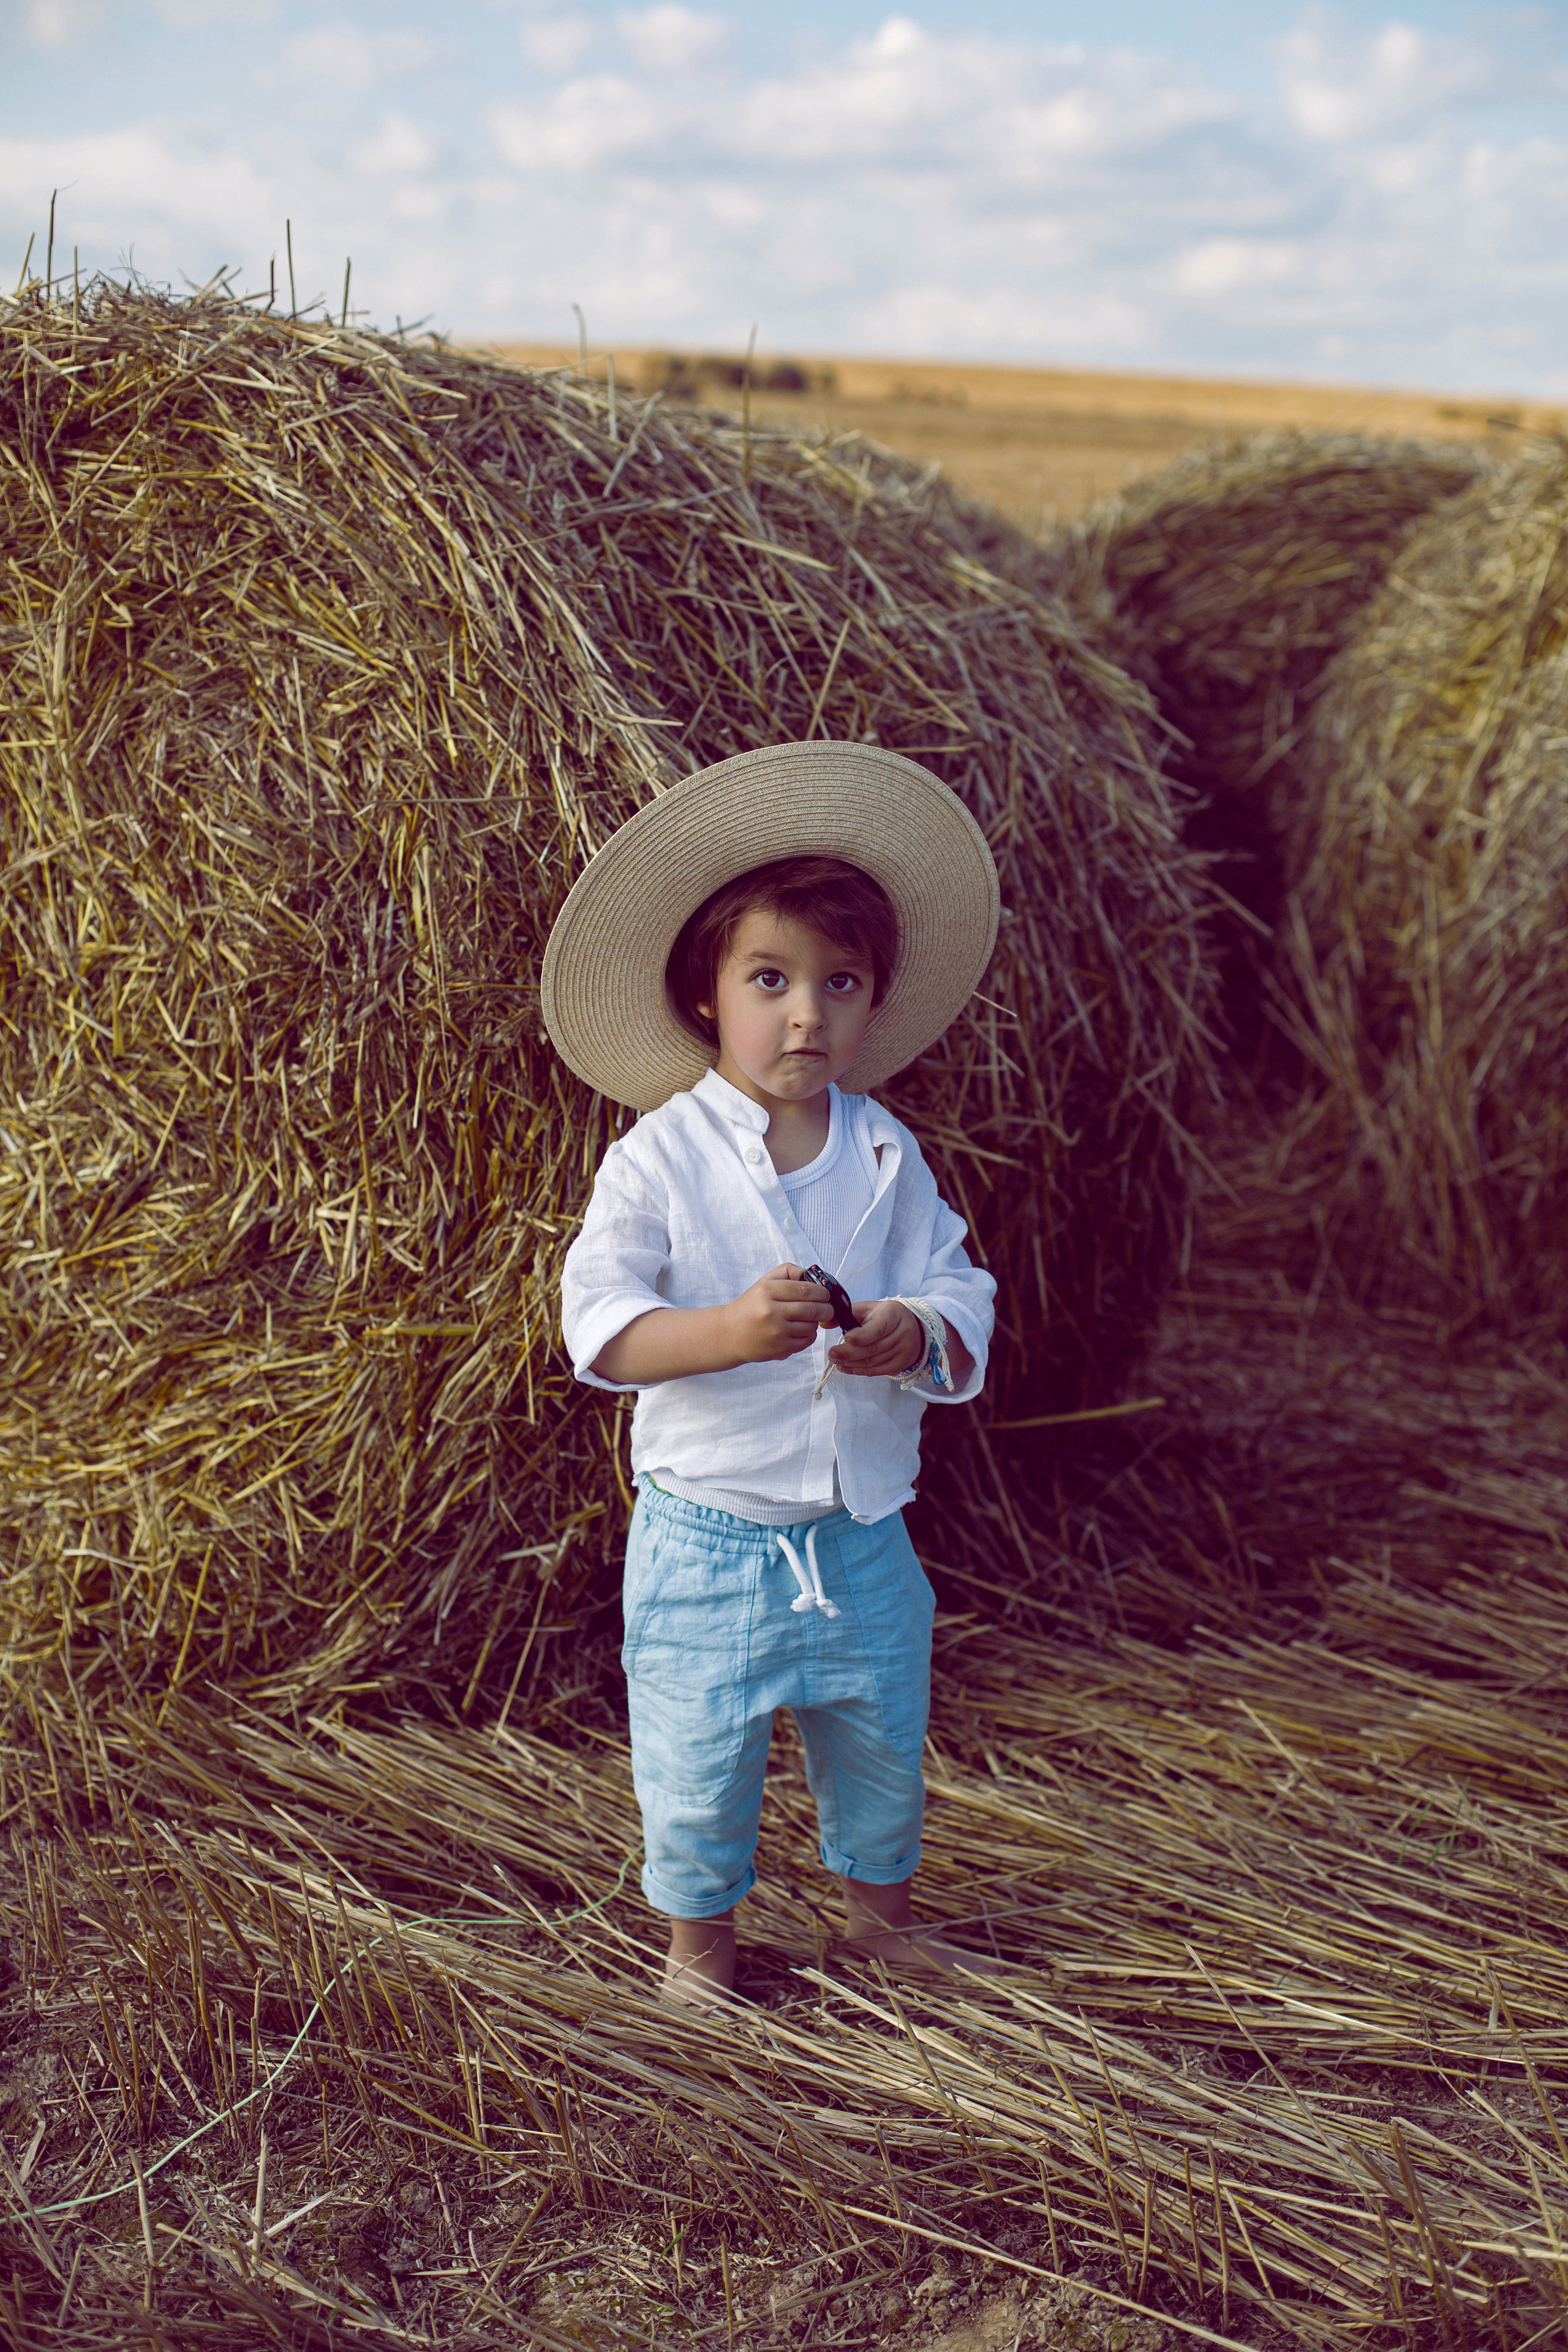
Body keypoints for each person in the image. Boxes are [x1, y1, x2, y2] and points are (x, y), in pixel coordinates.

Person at [541, 741, 1001, 2008]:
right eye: (770, 979)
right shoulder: (659, 1160)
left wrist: (910, 1327)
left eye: (838, 983)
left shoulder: (885, 1152)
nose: (807, 1013)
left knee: (879, 1741)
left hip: (860, 1534)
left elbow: (960, 1282)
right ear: (707, 1000)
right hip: (710, 1540)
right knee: (697, 1758)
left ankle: (879, 1924)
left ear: (871, 1003)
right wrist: (725, 1333)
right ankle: (700, 1957)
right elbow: (599, 1325)